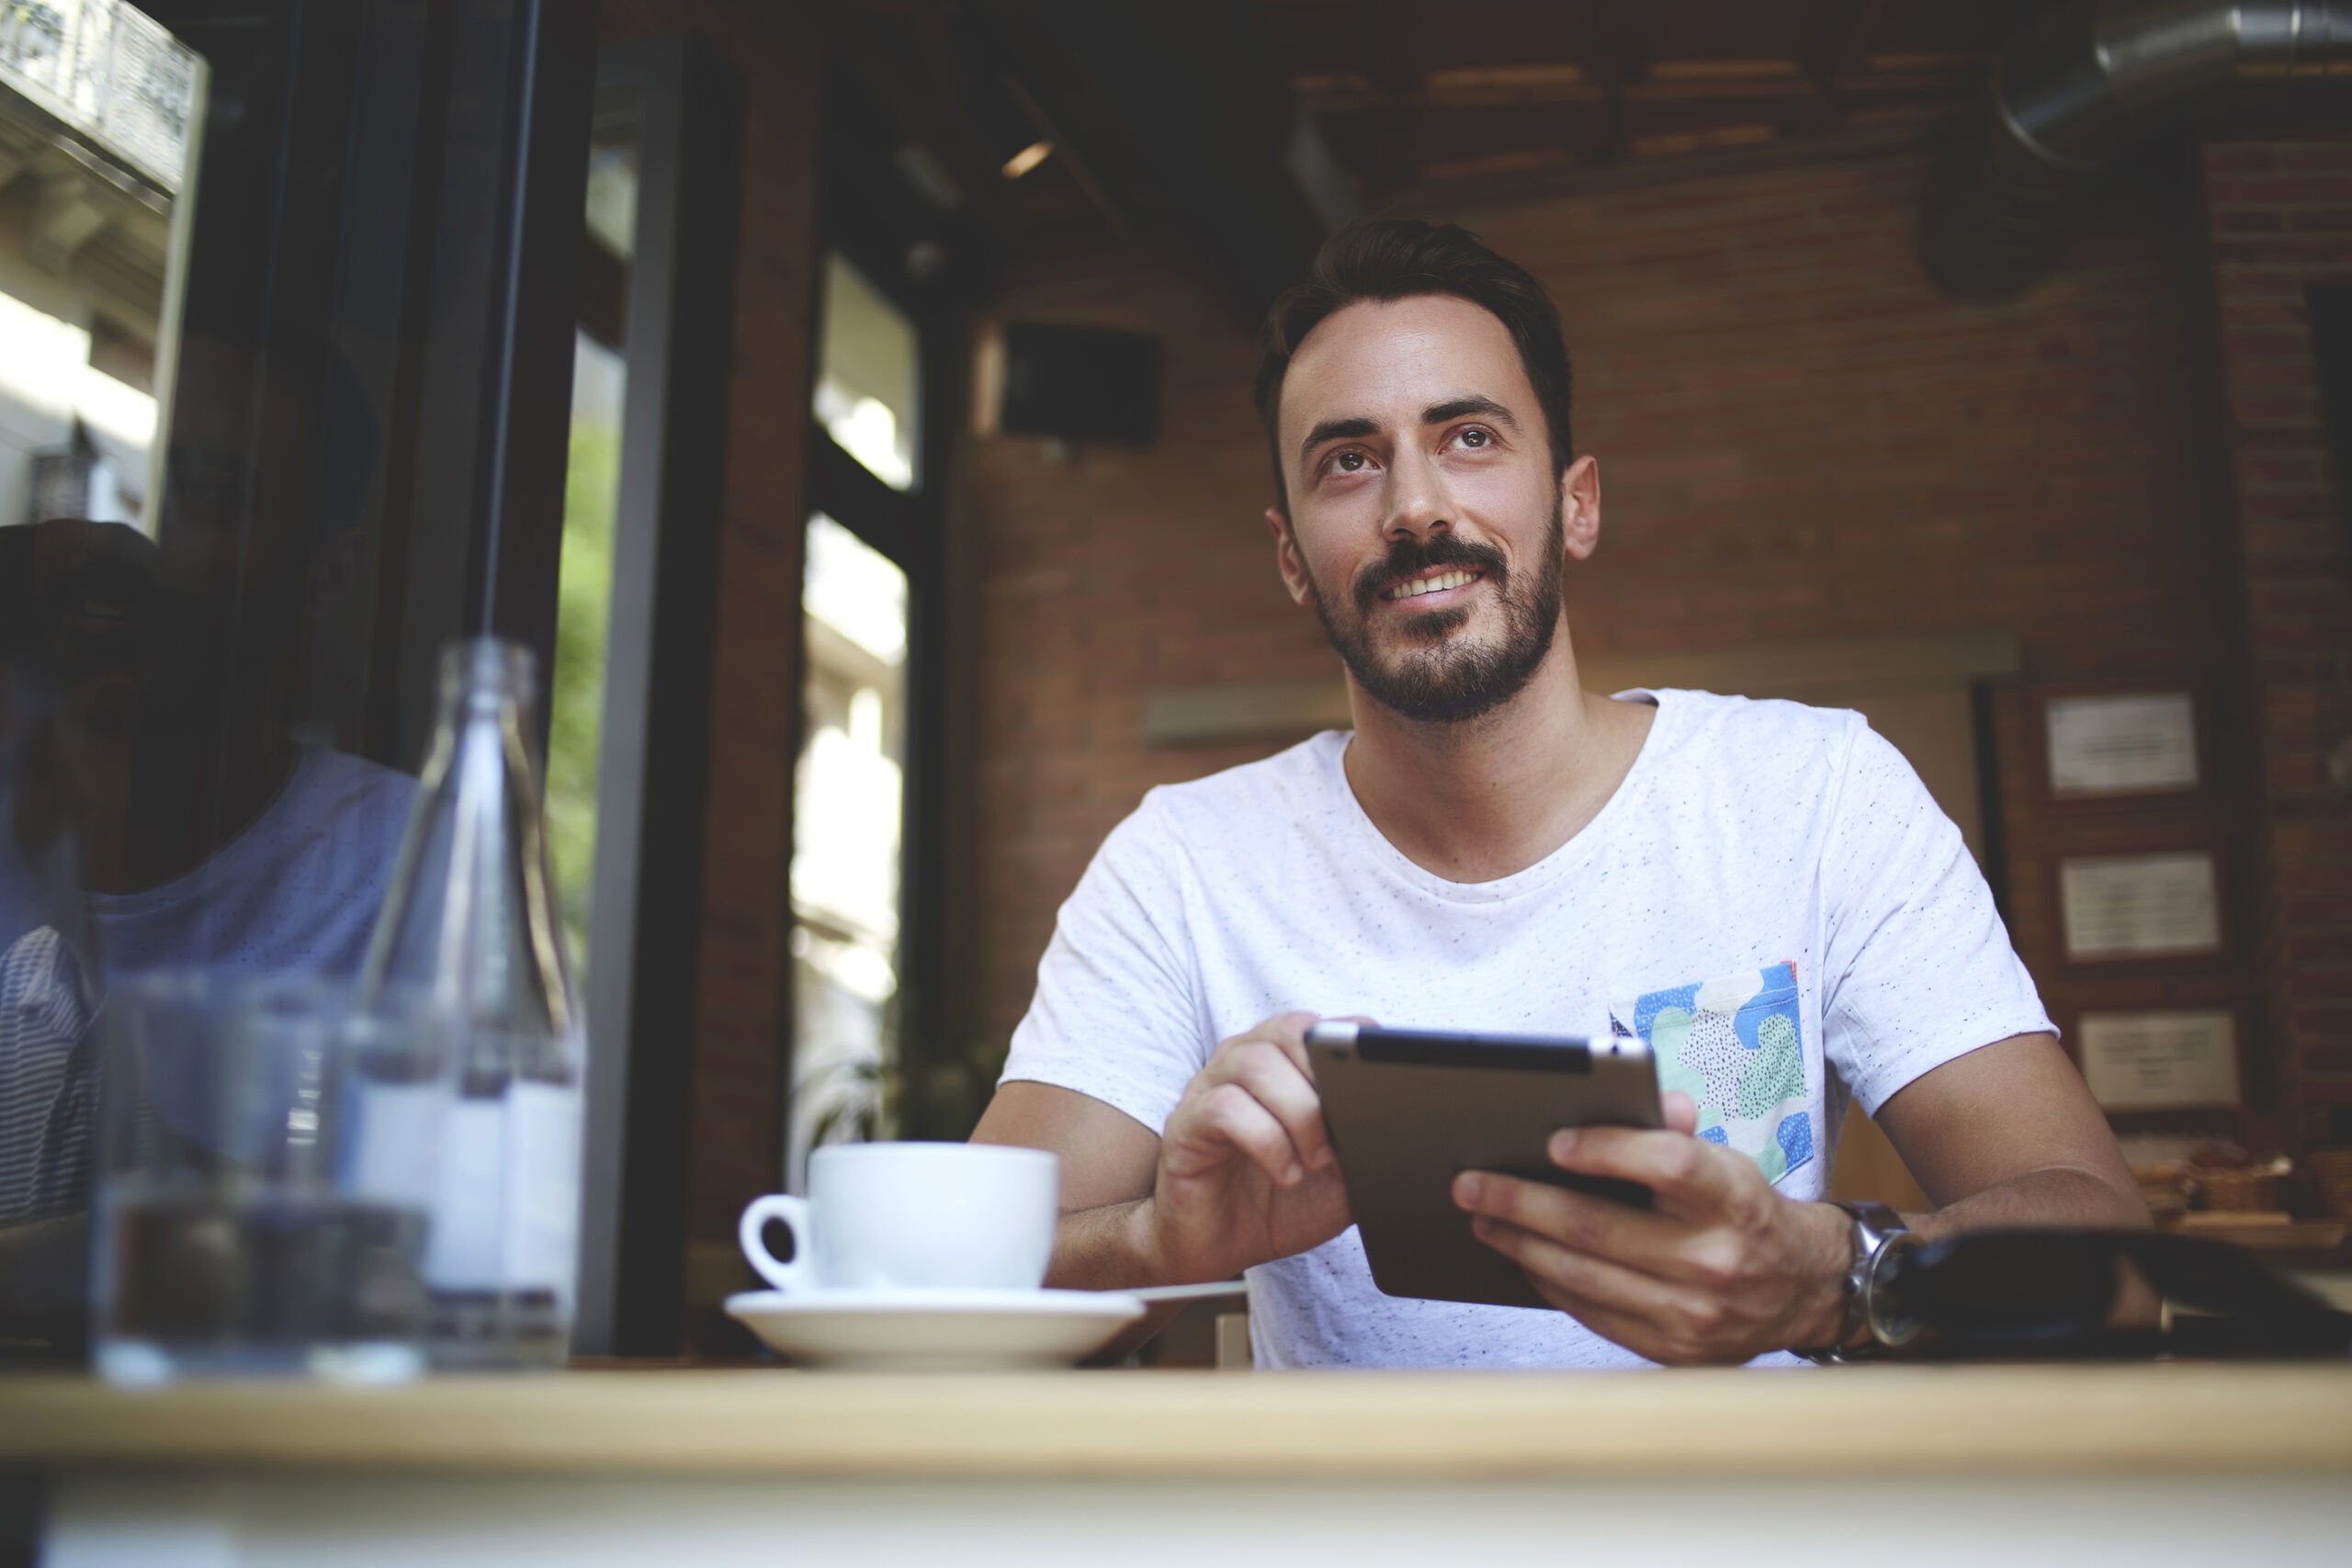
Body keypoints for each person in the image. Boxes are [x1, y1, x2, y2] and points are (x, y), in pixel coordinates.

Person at [970, 219, 2148, 1369]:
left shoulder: (1816, 793)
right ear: (1290, 558)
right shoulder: (1185, 863)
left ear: (1576, 503)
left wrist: (1834, 1278)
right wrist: (1162, 1242)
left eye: (1469, 437)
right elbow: (952, 1293)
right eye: (1349, 460)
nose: (1415, 507)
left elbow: (2116, 1266)